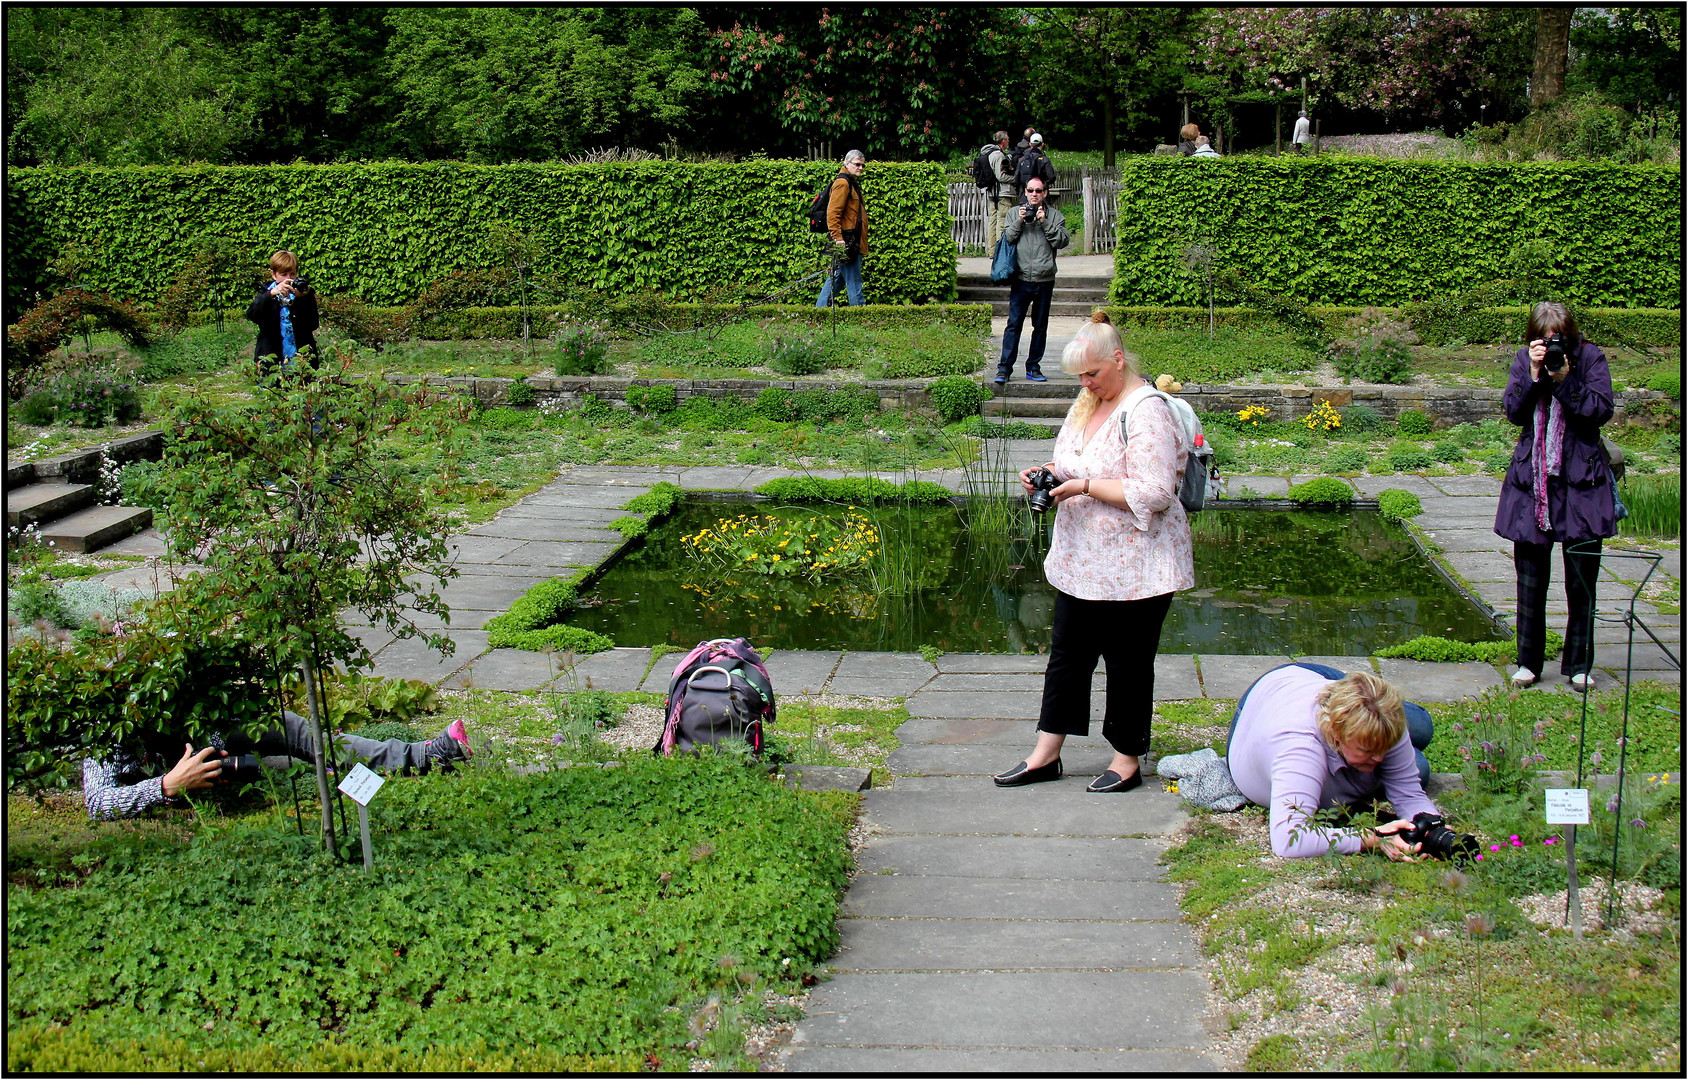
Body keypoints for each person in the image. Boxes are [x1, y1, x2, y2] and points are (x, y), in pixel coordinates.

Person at [994, 312, 1194, 792]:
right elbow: (1071, 459)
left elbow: (1155, 491)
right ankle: (1047, 752)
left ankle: (1126, 759)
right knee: (1068, 654)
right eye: (1080, 376)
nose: (1085, 383)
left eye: (1093, 374)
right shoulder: (1087, 402)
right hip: (1082, 558)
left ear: (1119, 360)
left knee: (1128, 660)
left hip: (1137, 562)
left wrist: (1083, 485)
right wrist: (1046, 474)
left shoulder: (1147, 411)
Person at [1494, 302, 1616, 691]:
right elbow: (1514, 411)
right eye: (1542, 340)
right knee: (1530, 581)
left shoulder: (1591, 358)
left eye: (1557, 339)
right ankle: (1528, 663)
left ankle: (1579, 666)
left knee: (1582, 583)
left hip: (1581, 480)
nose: (1550, 346)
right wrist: (1532, 374)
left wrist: (1565, 378)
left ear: (1571, 335)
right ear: (1532, 339)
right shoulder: (1523, 360)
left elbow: (1600, 411)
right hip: (1534, 482)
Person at [82, 713, 472, 821]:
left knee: (291, 729)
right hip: (201, 783)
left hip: (216, 751)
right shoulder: (102, 732)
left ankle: (422, 757)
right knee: (285, 770)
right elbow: (98, 802)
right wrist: (167, 785)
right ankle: (343, 770)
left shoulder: (177, 699)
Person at [1226, 664, 1441, 859]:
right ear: (1335, 734)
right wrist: (1374, 838)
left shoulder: (1387, 722)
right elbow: (1289, 841)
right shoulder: (1300, 749)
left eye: (1386, 747)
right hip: (1262, 704)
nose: (1381, 757)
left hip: (1310, 681)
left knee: (1421, 729)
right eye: (1368, 750)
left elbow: (1409, 793)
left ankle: (1365, 725)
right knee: (1419, 766)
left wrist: (1431, 831)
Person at [993, 175, 1069, 384]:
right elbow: (1007, 237)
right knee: (1013, 325)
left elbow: (1062, 241)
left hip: (1044, 279)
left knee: (1040, 326)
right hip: (1021, 278)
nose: (1034, 194)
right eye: (1030, 190)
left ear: (1044, 193)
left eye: (1038, 191)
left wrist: (1044, 223)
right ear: (1025, 192)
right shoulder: (1012, 213)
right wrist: (1020, 219)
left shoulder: (1055, 216)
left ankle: (1033, 367)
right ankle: (1004, 369)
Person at [246, 249, 318, 378]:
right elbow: (252, 314)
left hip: (301, 359)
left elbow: (313, 324)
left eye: (292, 274)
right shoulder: (265, 293)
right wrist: (271, 294)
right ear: (274, 275)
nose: (288, 279)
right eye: (283, 274)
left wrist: (304, 299)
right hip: (271, 358)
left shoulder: (304, 294)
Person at [815, 150, 868, 307]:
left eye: (863, 165)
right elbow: (833, 213)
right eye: (857, 164)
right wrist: (838, 238)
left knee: (837, 279)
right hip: (846, 242)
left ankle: (820, 311)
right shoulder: (843, 183)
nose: (860, 168)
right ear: (847, 163)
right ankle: (860, 317)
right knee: (854, 282)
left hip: (849, 240)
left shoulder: (850, 183)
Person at [982, 130, 1018, 255]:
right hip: (1002, 193)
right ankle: (999, 251)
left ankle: (992, 250)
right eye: (1007, 139)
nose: (1008, 141)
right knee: (1002, 221)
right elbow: (1001, 176)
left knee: (993, 221)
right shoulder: (998, 155)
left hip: (992, 192)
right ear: (1003, 141)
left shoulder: (988, 153)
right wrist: (1015, 179)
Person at [1013, 132, 1057, 196]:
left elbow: (1016, 178)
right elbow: (1051, 177)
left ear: (1030, 144)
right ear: (1042, 144)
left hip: (1024, 196)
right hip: (1041, 196)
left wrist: (1020, 191)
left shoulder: (1022, 159)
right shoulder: (1045, 160)